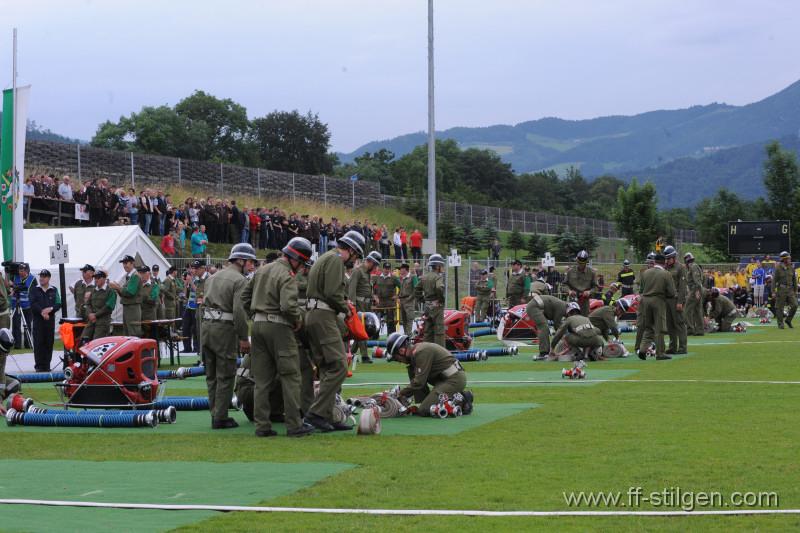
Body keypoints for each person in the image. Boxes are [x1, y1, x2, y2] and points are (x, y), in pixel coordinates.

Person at [241, 237, 315, 438]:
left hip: (257, 326)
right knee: (291, 376)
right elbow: (288, 306)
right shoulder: (287, 275)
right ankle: (294, 425)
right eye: (302, 263)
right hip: (280, 328)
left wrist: (255, 316)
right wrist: (298, 319)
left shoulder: (262, 270)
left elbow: (244, 297)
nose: (301, 268)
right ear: (296, 259)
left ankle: (262, 426)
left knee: (262, 380)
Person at [304, 230, 365, 432]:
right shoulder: (336, 260)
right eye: (356, 255)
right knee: (339, 365)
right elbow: (332, 293)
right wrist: (346, 308)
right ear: (351, 250)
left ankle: (327, 415)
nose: (354, 260)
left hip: (314, 314)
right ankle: (317, 413)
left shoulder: (325, 258)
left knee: (325, 367)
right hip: (323, 316)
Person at [200, 243, 254, 429]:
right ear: (240, 260)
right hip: (224, 330)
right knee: (226, 373)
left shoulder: (212, 278)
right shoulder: (239, 281)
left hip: (206, 327)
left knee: (211, 374)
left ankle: (215, 412)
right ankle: (220, 417)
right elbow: (239, 312)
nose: (251, 266)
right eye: (249, 262)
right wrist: (243, 338)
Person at [384, 332, 471, 416]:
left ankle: (463, 400)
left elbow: (419, 382)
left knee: (425, 410)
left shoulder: (421, 352)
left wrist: (400, 394)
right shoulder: (416, 353)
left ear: (401, 351)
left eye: (396, 358)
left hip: (454, 379)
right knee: (412, 370)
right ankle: (444, 398)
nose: (399, 362)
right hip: (444, 379)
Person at [637, 254, 676, 360]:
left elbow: (641, 290)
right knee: (660, 328)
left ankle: (642, 349)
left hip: (645, 301)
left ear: (654, 262)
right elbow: (672, 292)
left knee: (648, 327)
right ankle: (660, 353)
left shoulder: (645, 273)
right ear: (664, 263)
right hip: (658, 301)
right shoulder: (666, 274)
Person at [348, 251, 381, 364]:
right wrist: (352, 306)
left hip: (366, 304)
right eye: (375, 264)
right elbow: (352, 289)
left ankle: (351, 353)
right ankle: (364, 356)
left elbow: (367, 289)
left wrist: (373, 297)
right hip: (359, 304)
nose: (375, 267)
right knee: (362, 329)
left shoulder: (366, 273)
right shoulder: (358, 271)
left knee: (362, 330)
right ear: (370, 261)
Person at [30, 270, 61, 372]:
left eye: (44, 276)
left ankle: (47, 365)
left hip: (49, 321)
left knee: (48, 342)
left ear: (48, 278)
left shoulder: (54, 290)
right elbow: (33, 303)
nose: (41, 278)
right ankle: (39, 366)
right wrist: (42, 312)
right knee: (38, 343)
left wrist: (50, 309)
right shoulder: (34, 289)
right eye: (41, 276)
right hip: (38, 321)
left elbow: (58, 304)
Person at [415, 254, 446, 347]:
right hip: (437, 306)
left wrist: (422, 300)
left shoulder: (424, 277)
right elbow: (439, 288)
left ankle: (426, 350)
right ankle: (440, 352)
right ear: (437, 266)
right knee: (439, 331)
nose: (442, 268)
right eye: (441, 266)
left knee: (427, 331)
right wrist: (441, 299)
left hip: (427, 307)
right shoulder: (438, 277)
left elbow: (416, 289)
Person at [526, 294, 568, 360]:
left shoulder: (562, 306)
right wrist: (565, 337)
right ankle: (543, 353)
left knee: (544, 327)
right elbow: (557, 324)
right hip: (534, 307)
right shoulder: (562, 307)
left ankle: (545, 352)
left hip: (536, 305)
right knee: (543, 327)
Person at [109, 255, 142, 337]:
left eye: (126, 263)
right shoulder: (130, 276)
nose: (124, 265)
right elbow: (124, 294)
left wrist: (117, 287)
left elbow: (130, 292)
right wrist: (118, 288)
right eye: (123, 263)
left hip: (133, 308)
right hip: (128, 307)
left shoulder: (135, 276)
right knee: (127, 332)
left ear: (132, 263)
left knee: (133, 333)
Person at [663, 245, 688, 355]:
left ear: (674, 257)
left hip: (676, 299)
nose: (667, 260)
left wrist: (680, 302)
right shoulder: (665, 268)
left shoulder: (680, 268)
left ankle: (683, 347)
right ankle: (672, 346)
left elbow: (682, 286)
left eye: (669, 258)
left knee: (679, 324)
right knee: (669, 325)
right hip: (666, 299)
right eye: (666, 258)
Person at [81, 266, 116, 342]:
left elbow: (109, 307)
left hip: (103, 321)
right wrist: (90, 314)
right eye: (95, 278)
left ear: (104, 279)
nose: (96, 280)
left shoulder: (110, 291)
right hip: (92, 320)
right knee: (83, 340)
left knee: (97, 342)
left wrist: (95, 315)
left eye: (98, 278)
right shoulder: (94, 290)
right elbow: (88, 304)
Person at [565, 250, 597, 316]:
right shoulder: (570, 271)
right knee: (572, 319)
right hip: (573, 300)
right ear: (577, 261)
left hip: (584, 302)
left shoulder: (591, 273)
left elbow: (595, 287)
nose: (581, 265)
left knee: (584, 320)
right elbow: (564, 284)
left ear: (586, 262)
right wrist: (569, 291)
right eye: (579, 263)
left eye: (583, 263)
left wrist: (589, 292)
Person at [10, 263, 35, 349]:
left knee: (27, 325)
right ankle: (17, 345)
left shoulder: (32, 279)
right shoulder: (14, 276)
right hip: (15, 305)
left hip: (28, 306)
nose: (20, 272)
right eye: (20, 270)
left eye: (22, 270)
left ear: (27, 271)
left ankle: (28, 344)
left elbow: (34, 292)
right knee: (16, 325)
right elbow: (9, 286)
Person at [773, 251, 798, 329]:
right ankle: (780, 324)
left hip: (790, 290)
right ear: (784, 259)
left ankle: (788, 320)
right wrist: (773, 291)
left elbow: (794, 280)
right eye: (788, 258)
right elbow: (774, 281)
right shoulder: (778, 268)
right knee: (779, 307)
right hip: (781, 290)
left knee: (795, 305)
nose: (790, 259)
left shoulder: (791, 268)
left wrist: (795, 290)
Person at [374, 261, 400, 335]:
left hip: (390, 302)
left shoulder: (394, 278)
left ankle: (391, 336)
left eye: (388, 268)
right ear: (383, 268)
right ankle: (375, 336)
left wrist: (397, 296)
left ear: (390, 269)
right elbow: (373, 288)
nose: (386, 270)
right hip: (380, 302)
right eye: (385, 268)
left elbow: (402, 287)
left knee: (390, 320)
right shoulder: (377, 277)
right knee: (377, 319)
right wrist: (375, 296)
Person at [684, 252, 705, 336]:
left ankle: (690, 329)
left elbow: (697, 281)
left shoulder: (693, 267)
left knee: (687, 310)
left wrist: (697, 291)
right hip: (697, 289)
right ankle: (699, 330)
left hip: (695, 290)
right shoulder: (694, 266)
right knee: (697, 310)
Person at [397, 263, 417, 335]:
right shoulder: (402, 278)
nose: (400, 270)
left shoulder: (412, 277)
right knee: (404, 320)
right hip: (402, 301)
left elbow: (416, 289)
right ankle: (406, 336)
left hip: (409, 301)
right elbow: (401, 289)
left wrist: (410, 298)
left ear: (405, 269)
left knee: (409, 319)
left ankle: (409, 336)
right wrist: (399, 297)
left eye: (401, 269)